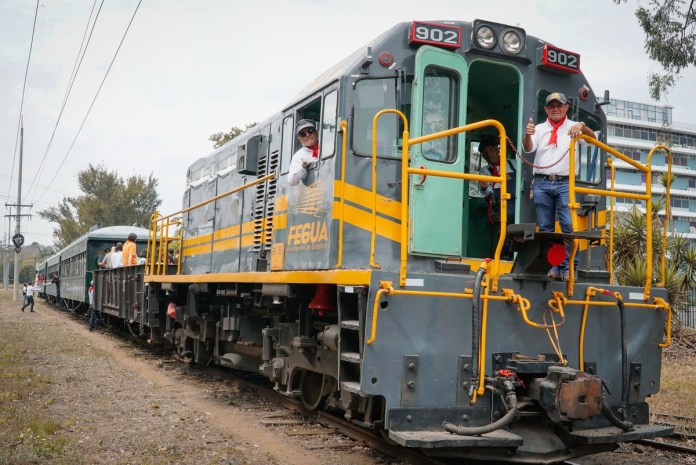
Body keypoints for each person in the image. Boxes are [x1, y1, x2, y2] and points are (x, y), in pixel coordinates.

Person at [523, 92, 596, 281]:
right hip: (541, 181)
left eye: (559, 105)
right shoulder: (539, 128)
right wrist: (527, 135)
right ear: (546, 109)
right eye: (551, 106)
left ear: (566, 108)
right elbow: (528, 148)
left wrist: (583, 126)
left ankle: (569, 267)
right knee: (546, 228)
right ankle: (554, 266)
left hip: (564, 182)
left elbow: (593, 138)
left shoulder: (574, 126)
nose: (555, 109)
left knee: (568, 227)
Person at [478, 138, 516, 225]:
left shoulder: (514, 163)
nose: (489, 154)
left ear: (497, 150)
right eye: (485, 153)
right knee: (510, 213)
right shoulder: (484, 171)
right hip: (502, 202)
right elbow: (488, 192)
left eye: (491, 150)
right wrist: (485, 187)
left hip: (518, 198)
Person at [288, 119, 319, 186]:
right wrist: (302, 168)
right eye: (303, 134)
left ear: (316, 132)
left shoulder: (329, 145)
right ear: (299, 138)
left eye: (310, 131)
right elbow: (291, 181)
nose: (307, 135)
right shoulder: (298, 156)